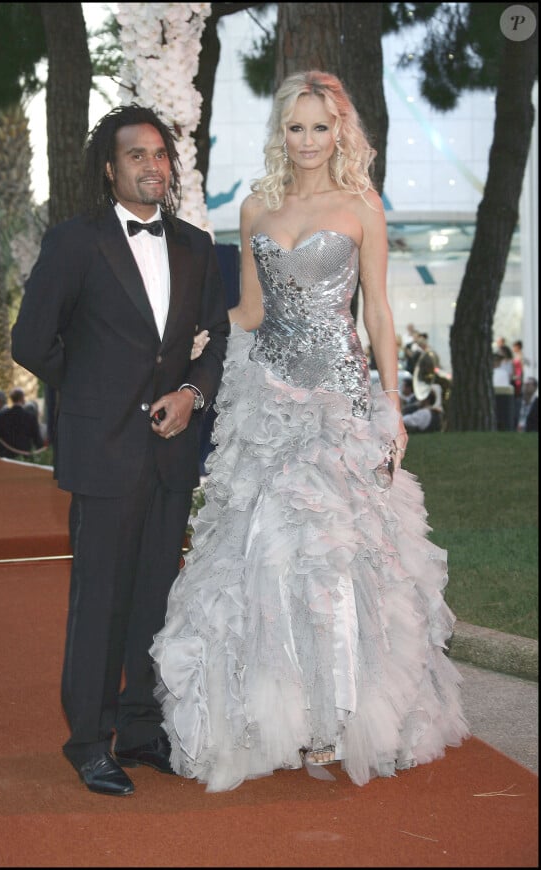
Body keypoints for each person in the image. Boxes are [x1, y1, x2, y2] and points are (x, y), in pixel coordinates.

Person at [150, 71, 468, 793]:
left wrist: (391, 402)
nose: (308, 141)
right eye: (296, 128)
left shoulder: (361, 205)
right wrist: (191, 339)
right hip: (268, 404)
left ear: (341, 132)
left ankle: (340, 715)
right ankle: (279, 715)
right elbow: (254, 312)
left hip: (341, 404)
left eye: (320, 127)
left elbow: (379, 314)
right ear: (281, 133)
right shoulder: (258, 206)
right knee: (263, 554)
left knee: (335, 556)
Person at [11, 103, 230, 796]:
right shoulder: (75, 242)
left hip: (171, 453)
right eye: (137, 154)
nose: (152, 164)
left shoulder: (196, 245)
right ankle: (89, 741)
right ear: (109, 169)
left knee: (155, 599)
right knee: (100, 600)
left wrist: (193, 394)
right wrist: (95, 394)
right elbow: (30, 341)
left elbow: (215, 339)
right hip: (102, 452)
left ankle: (140, 730)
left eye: (161, 153)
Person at [0, 387, 44, 458]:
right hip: (25, 456)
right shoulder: (30, 417)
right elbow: (36, 438)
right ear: (22, 399)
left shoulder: (2, 416)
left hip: (6, 456)